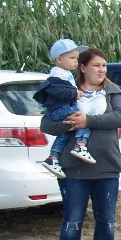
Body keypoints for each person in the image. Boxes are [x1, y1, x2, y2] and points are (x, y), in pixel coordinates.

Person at [40, 48, 121, 240]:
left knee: (107, 221)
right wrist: (68, 124)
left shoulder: (113, 92)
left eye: (104, 65)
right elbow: (46, 123)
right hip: (74, 170)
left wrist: (88, 121)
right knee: (73, 221)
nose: (101, 70)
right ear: (82, 67)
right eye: (96, 65)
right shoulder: (67, 92)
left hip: (107, 168)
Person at [35, 39, 96, 177]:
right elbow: (57, 91)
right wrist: (75, 93)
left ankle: (53, 158)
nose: (76, 61)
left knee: (65, 133)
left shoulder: (65, 73)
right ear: (60, 59)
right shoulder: (58, 75)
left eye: (77, 58)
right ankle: (80, 145)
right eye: (72, 58)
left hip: (60, 109)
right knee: (83, 119)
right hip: (61, 109)